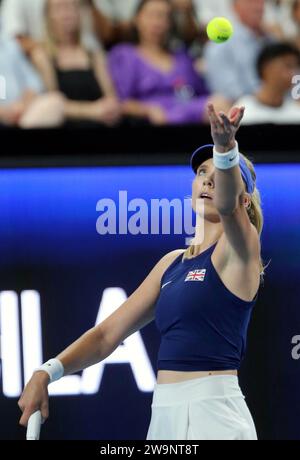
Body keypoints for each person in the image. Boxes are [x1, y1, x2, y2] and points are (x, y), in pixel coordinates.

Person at [18, 101, 264, 440]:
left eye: (216, 173)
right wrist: (48, 371)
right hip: (163, 414)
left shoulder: (241, 248)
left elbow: (227, 205)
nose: (206, 181)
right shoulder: (171, 263)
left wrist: (225, 148)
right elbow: (106, 335)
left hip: (215, 414)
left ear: (244, 201)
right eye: (200, 174)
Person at [108, 0, 230, 125]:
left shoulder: (181, 56)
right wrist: (147, 110)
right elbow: (120, 101)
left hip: (189, 110)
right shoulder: (124, 55)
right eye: (151, 15)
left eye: (163, 16)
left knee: (220, 104)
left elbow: (202, 93)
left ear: (170, 24)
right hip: (153, 117)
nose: (157, 23)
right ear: (136, 19)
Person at [30, 0, 121, 126]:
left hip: (102, 122)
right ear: (48, 16)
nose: (67, 13)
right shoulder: (42, 55)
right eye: (59, 8)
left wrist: (110, 108)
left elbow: (111, 95)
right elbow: (52, 103)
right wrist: (92, 111)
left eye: (72, 7)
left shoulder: (94, 55)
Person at [204, 0, 274, 102]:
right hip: (247, 111)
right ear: (235, 7)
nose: (258, 7)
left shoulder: (271, 40)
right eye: (250, 2)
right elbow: (229, 93)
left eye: (260, 2)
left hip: (282, 107)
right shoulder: (221, 44)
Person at [0, 37, 64, 128]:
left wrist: (24, 103)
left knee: (55, 100)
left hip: (23, 112)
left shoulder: (11, 46)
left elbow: (33, 82)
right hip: (4, 114)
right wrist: (3, 112)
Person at [235, 42, 300, 124]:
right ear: (266, 68)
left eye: (296, 67)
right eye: (288, 66)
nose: (293, 73)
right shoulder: (242, 112)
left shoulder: (296, 114)